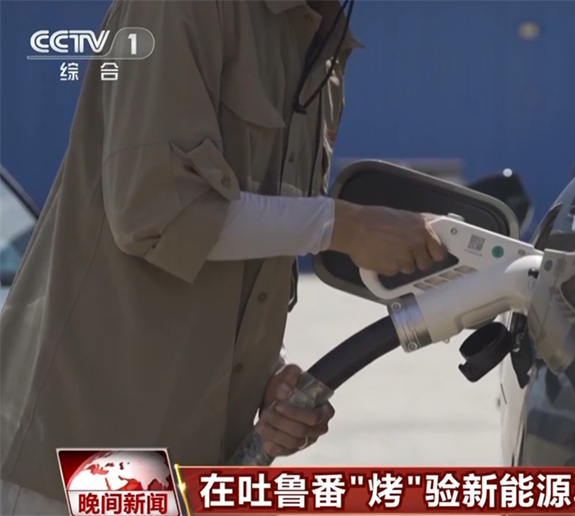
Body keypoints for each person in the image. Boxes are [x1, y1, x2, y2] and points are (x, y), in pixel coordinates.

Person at [0, 1, 447, 513]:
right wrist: (346, 226)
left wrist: (268, 372)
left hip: (184, 472)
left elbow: (247, 238)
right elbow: (157, 212)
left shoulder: (319, 38)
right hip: (81, 459)